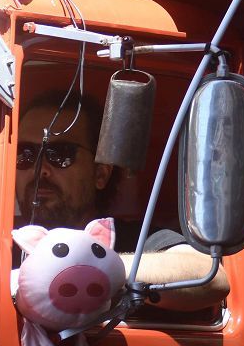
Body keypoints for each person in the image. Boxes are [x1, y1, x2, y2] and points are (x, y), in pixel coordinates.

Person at [14, 94, 230, 312]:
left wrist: (94, 268)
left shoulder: (135, 241)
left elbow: (210, 278)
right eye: (25, 154)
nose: (39, 169)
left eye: (59, 155)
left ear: (100, 174)